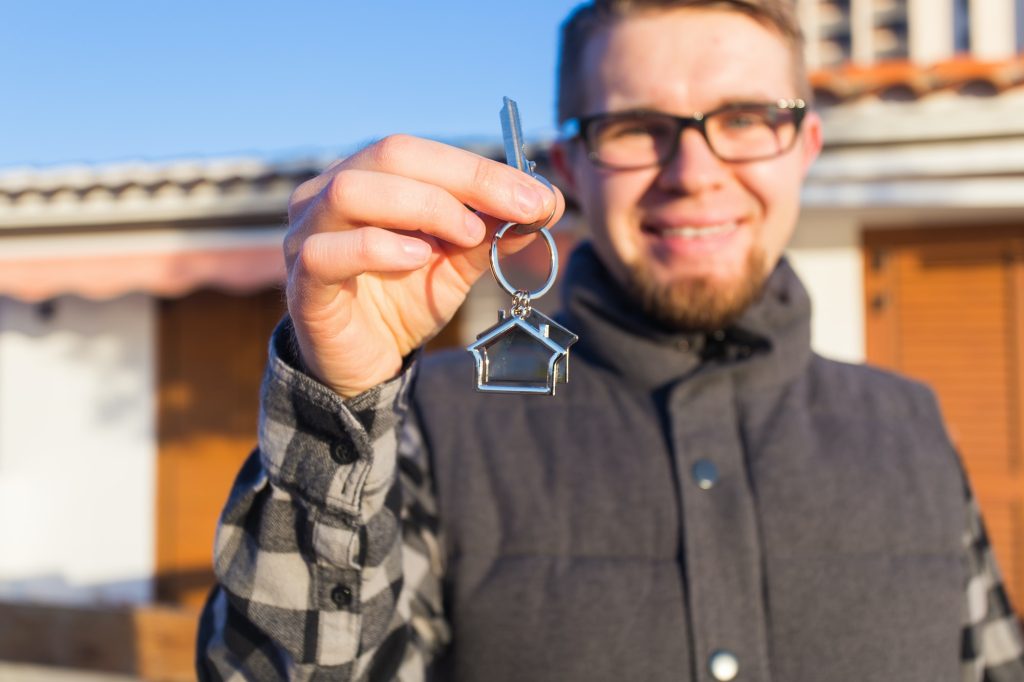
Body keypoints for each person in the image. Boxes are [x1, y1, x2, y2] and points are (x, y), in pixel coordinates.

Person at [196, 1, 1024, 680]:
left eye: (745, 118)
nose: (694, 172)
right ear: (570, 164)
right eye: (636, 127)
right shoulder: (425, 429)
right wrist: (337, 406)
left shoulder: (912, 425)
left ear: (804, 147)